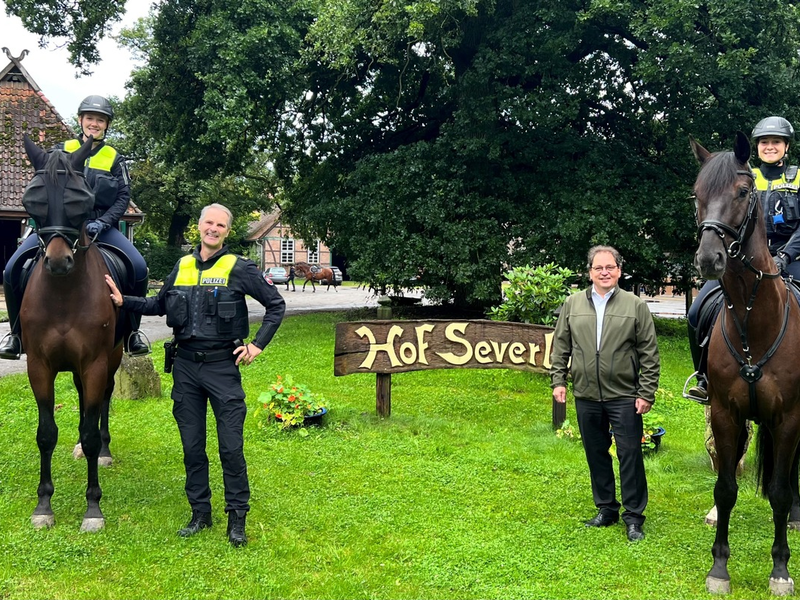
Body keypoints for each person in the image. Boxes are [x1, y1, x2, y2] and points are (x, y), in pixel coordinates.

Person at [105, 203, 286, 547]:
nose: (213, 229)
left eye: (220, 225)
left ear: (227, 231)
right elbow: (158, 305)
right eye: (208, 223)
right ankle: (200, 513)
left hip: (222, 367)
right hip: (185, 366)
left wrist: (256, 345)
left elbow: (276, 305)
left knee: (231, 447)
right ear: (199, 226)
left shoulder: (240, 267)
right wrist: (122, 300)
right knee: (192, 447)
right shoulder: (183, 265)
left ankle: (237, 518)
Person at [0, 95, 149, 359]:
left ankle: (132, 333)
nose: (94, 123)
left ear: (106, 125)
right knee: (12, 269)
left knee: (138, 267)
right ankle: (15, 335)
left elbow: (123, 196)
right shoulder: (61, 149)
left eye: (100, 120)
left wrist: (103, 222)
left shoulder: (114, 158)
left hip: (101, 225)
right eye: (90, 118)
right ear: (81, 120)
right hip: (60, 226)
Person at [550, 245, 660, 542]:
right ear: (590, 273)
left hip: (623, 394)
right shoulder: (573, 304)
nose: (604, 272)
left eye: (610, 267)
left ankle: (634, 517)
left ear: (619, 271)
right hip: (586, 394)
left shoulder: (635, 306)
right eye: (598, 268)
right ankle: (606, 509)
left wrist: (646, 392)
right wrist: (558, 381)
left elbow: (649, 352)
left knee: (630, 455)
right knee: (596, 454)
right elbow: (560, 346)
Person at [686, 116, 800, 400]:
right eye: (764, 142)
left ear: (786, 146)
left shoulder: (799, 176)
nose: (769, 146)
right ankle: (703, 377)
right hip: (743, 263)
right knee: (697, 310)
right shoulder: (740, 175)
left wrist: (785, 255)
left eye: (776, 141)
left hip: (792, 257)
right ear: (756, 147)